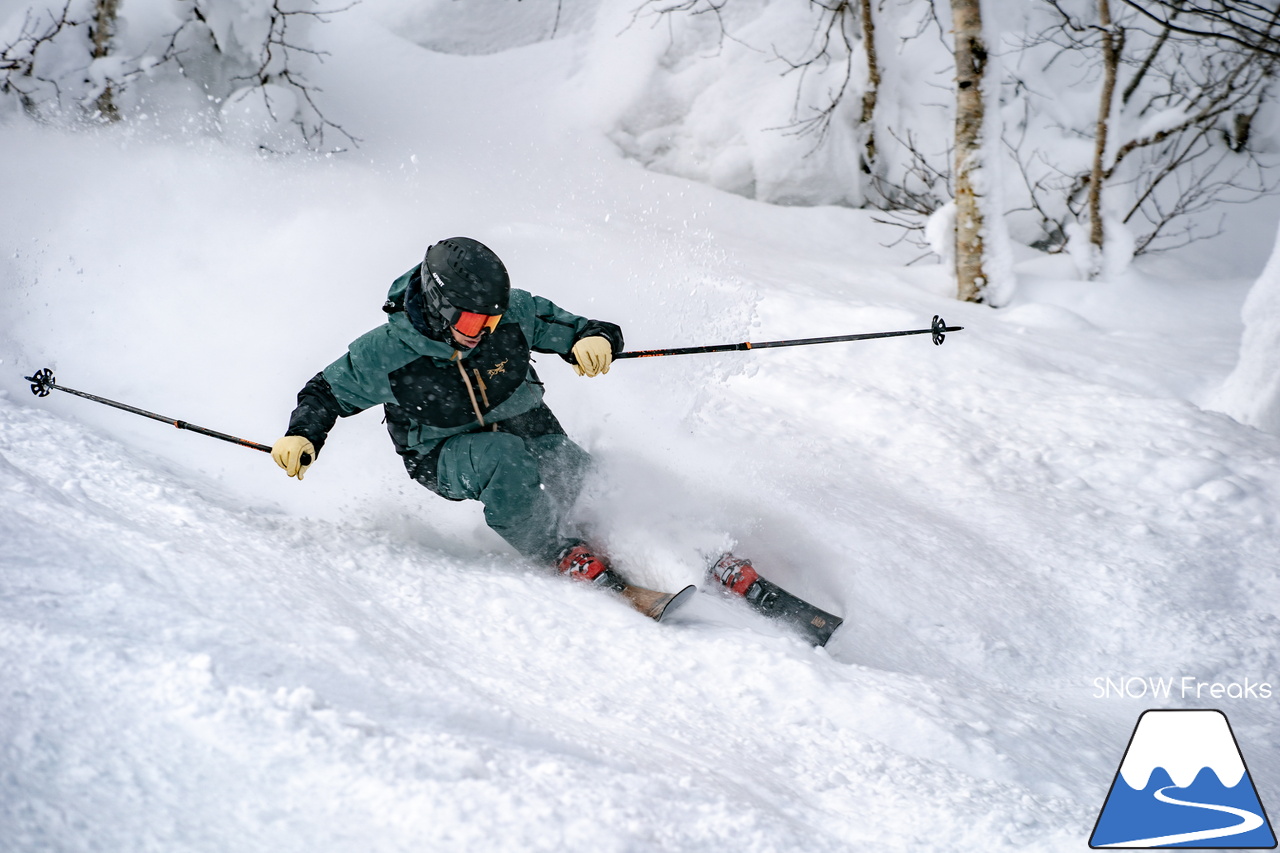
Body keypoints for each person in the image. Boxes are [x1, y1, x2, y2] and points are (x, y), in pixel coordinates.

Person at [271, 237, 629, 589]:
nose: (484, 334)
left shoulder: (513, 313)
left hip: (525, 424)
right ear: (439, 307)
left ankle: (610, 534)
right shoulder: (387, 353)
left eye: (492, 321)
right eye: (473, 324)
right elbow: (325, 392)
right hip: (440, 449)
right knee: (505, 460)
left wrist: (595, 340)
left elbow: (582, 329)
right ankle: (559, 552)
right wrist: (302, 434)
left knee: (572, 466)